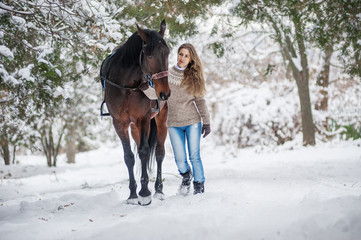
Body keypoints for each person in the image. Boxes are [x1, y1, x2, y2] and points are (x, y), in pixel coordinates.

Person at [166, 43, 211, 195]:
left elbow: (200, 101)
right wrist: (144, 88)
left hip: (192, 122)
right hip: (173, 123)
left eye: (186, 56)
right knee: (179, 159)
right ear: (177, 55)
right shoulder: (167, 74)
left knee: (194, 156)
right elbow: (158, 95)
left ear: (191, 59)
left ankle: (199, 185)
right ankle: (186, 175)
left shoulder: (193, 77)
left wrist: (206, 121)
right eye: (180, 54)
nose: (182, 58)